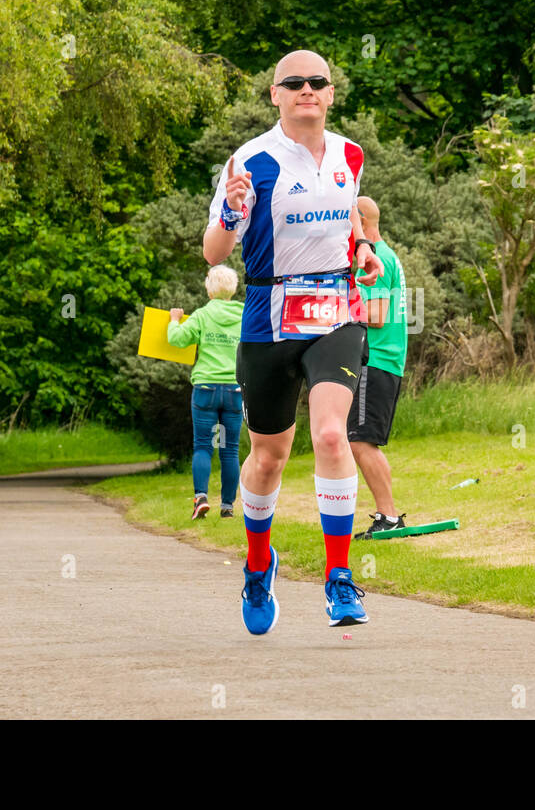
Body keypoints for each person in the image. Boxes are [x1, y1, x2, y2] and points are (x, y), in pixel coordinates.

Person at [202, 48, 383, 634]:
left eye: (318, 82)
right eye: (294, 83)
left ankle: (338, 580)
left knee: (332, 434)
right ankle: (259, 565)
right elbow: (214, 254)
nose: (307, 90)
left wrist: (363, 249)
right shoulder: (250, 162)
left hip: (335, 310)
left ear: (331, 94)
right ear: (274, 94)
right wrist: (231, 214)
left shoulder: (349, 153)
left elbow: (351, 217)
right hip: (268, 314)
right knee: (268, 456)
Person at [348, 196, 410, 539]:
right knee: (361, 440)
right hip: (385, 359)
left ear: (361, 220)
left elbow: (377, 316)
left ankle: (388, 517)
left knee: (360, 441)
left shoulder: (377, 258)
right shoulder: (388, 255)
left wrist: (334, 312)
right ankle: (388, 515)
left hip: (377, 359)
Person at [167, 265, 245, 520]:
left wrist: (174, 321)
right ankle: (228, 506)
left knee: (203, 446)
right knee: (230, 449)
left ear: (210, 291)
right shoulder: (245, 314)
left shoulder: (202, 315)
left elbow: (177, 340)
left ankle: (201, 498)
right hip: (234, 389)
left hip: (206, 389)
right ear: (232, 290)